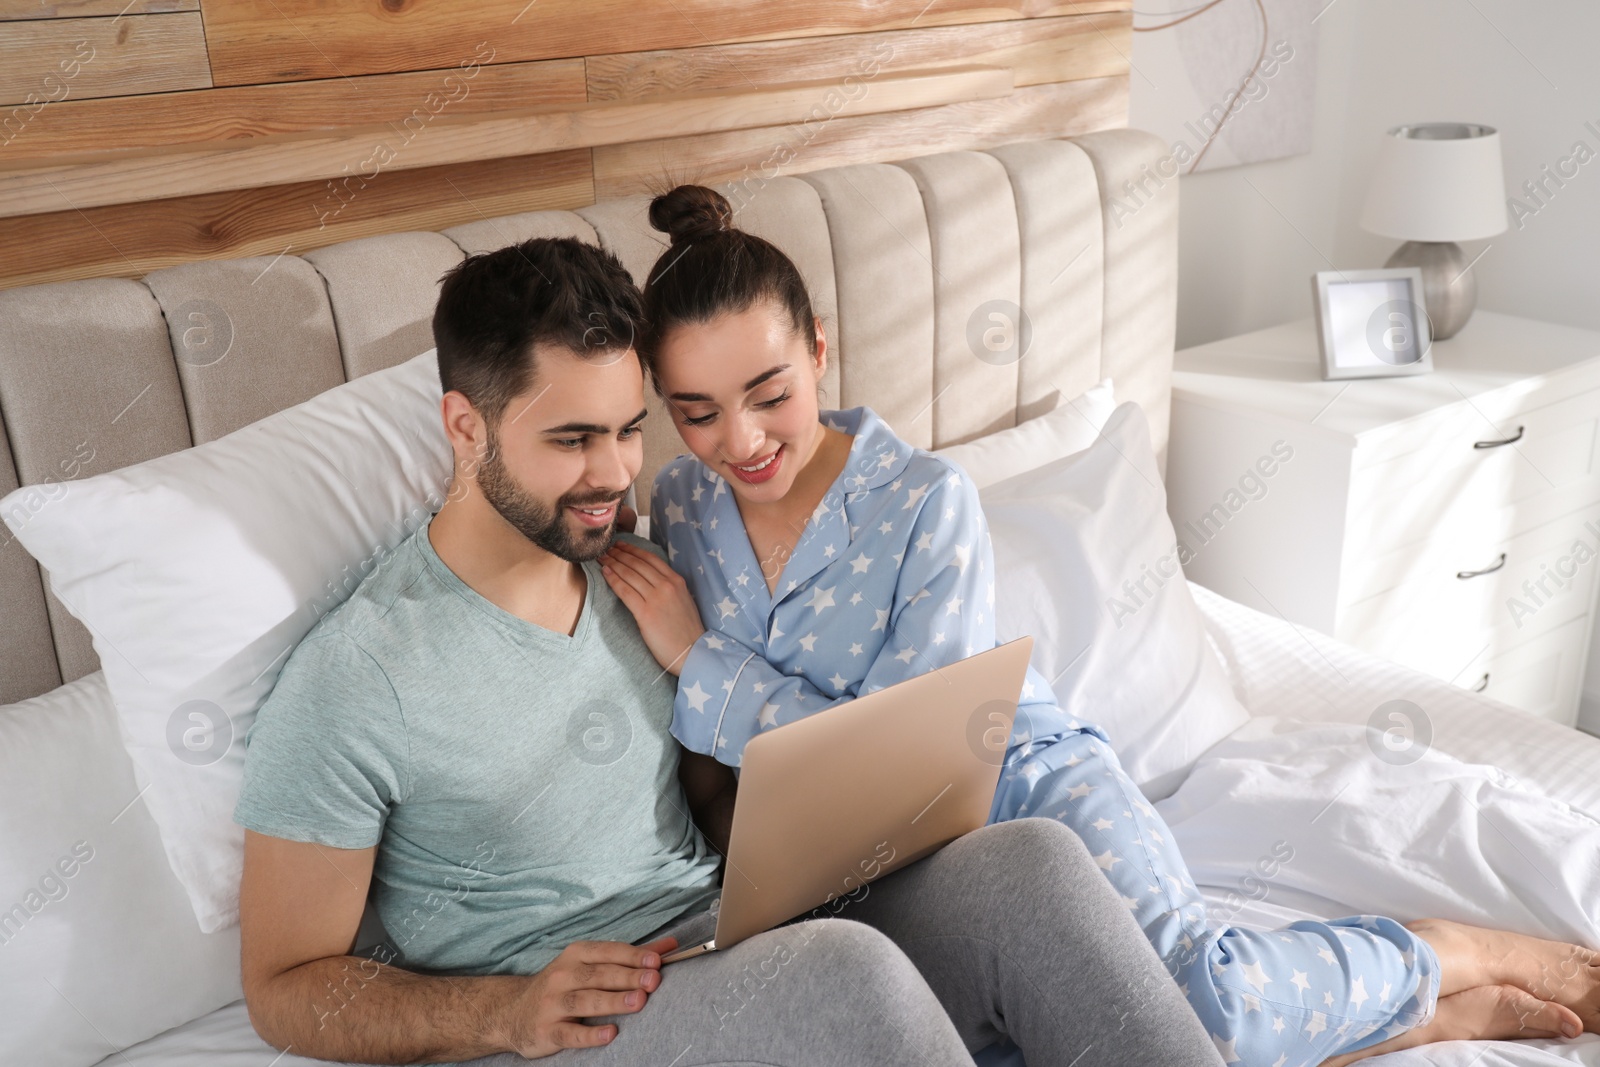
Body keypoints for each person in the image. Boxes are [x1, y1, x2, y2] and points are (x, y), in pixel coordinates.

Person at [596, 185, 1600, 1067]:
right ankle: (1393, 1022)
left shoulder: (922, 500)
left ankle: (1445, 949)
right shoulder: (682, 504)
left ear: (820, 351)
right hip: (850, 875)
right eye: (695, 411)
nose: (740, 440)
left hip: (1020, 789)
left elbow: (894, 764)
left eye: (769, 394)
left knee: (1202, 1013)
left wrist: (702, 663)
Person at [231, 236, 1228, 1067]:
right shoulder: (359, 674)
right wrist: (501, 1009)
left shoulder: (637, 570)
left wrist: (808, 856)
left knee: (1030, 868)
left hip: (725, 940)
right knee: (848, 971)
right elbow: (281, 989)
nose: (615, 474)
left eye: (629, 430)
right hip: (565, 1023)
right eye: (572, 438)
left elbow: (708, 799)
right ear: (465, 426)